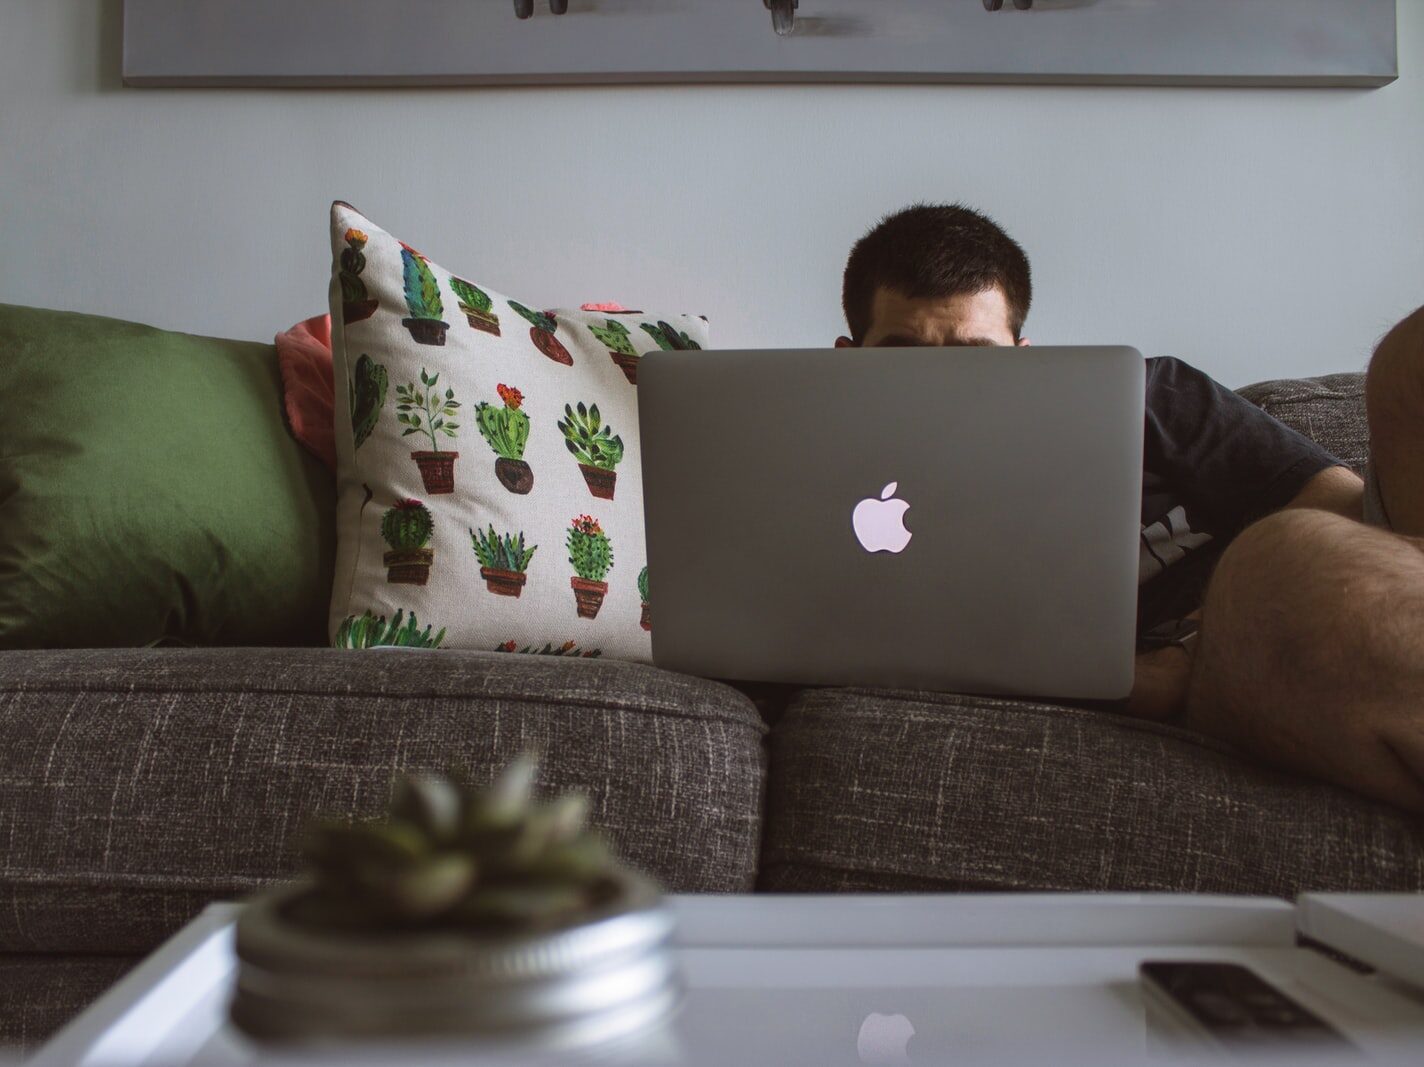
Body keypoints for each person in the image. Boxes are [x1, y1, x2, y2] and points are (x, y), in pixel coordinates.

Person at [838, 203, 1424, 813]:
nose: (942, 394)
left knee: (1410, 361)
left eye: (977, 357)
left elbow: (1342, 506)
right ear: (849, 362)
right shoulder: (828, 488)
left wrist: (1180, 659)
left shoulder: (1147, 396)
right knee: (1275, 565)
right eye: (903, 356)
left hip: (1268, 621)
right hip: (1251, 666)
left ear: (1025, 354)